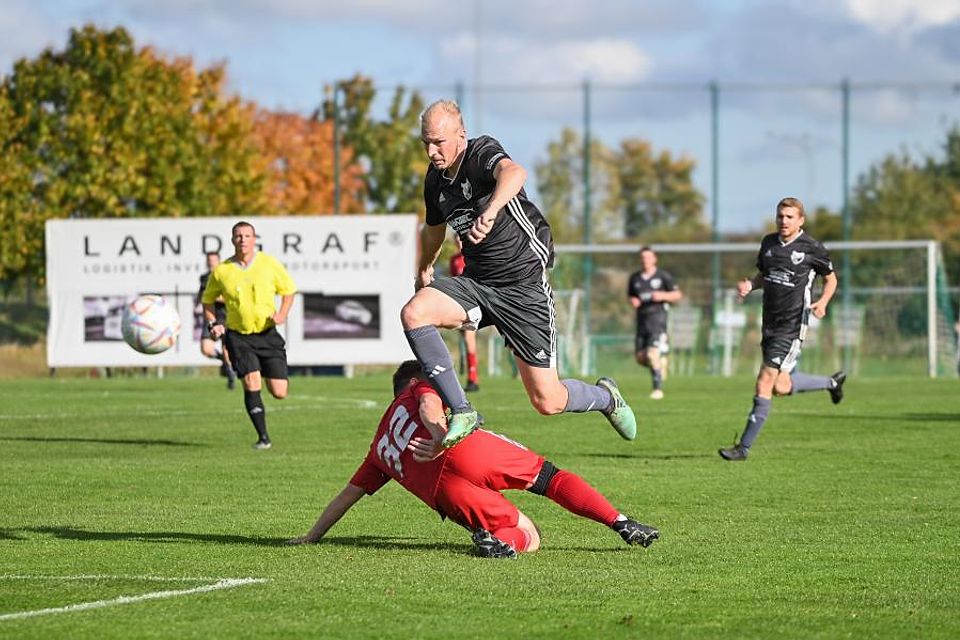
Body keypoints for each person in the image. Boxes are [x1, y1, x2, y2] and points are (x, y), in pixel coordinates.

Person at [400, 99, 637, 449]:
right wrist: (424, 267)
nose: (432, 151)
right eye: (426, 143)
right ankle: (462, 410)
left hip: (523, 285)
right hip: (478, 283)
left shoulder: (480, 152)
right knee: (414, 312)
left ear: (461, 135)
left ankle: (606, 398)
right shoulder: (435, 181)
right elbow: (433, 229)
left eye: (439, 141)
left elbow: (515, 173)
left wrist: (492, 210)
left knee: (548, 401)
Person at [287, 360, 659, 558]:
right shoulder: (419, 385)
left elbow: (347, 496)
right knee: (549, 479)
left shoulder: (379, 447)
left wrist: (311, 536)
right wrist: (440, 436)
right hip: (463, 447)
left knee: (529, 535)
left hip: (443, 491)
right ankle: (620, 522)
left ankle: (502, 544)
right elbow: (431, 402)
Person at [719, 197, 847, 462]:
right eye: (780, 216)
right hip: (770, 323)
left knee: (764, 380)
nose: (784, 221)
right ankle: (831, 383)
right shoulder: (768, 244)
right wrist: (750, 286)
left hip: (791, 326)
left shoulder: (812, 248)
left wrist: (822, 301)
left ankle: (742, 448)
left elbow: (831, 279)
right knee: (780, 386)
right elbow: (763, 276)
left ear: (801, 220)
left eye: (789, 217)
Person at [202, 221, 297, 450]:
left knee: (279, 392)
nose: (243, 239)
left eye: (247, 235)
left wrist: (282, 313)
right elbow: (208, 301)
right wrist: (213, 323)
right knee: (251, 381)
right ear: (232, 240)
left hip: (267, 335)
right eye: (238, 235)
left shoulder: (269, 264)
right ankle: (263, 438)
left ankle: (261, 367)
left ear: (254, 239)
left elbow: (289, 291)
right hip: (239, 336)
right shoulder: (222, 271)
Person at [627, 246, 682, 399]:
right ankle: (660, 362)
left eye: (648, 257)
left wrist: (663, 295)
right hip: (641, 322)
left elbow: (677, 294)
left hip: (657, 321)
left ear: (654, 259)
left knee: (652, 354)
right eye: (643, 258)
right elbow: (632, 296)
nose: (645, 260)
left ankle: (657, 389)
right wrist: (634, 301)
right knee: (640, 358)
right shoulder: (635, 278)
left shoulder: (663, 276)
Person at [195, 252, 237, 390]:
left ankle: (231, 377)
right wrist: (198, 303)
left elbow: (231, 297)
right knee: (206, 349)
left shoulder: (226, 277)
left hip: (226, 317)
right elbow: (202, 294)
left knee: (226, 350)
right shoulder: (204, 278)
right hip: (210, 316)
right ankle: (225, 363)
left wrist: (214, 298)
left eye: (214, 260)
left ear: (219, 261)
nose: (211, 262)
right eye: (209, 260)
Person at [449, 235, 480, 392]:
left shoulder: (473, 256)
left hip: (473, 303)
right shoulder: (454, 259)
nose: (459, 242)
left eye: (461, 239)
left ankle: (473, 379)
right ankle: (470, 378)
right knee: (465, 339)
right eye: (457, 240)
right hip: (459, 304)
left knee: (469, 339)